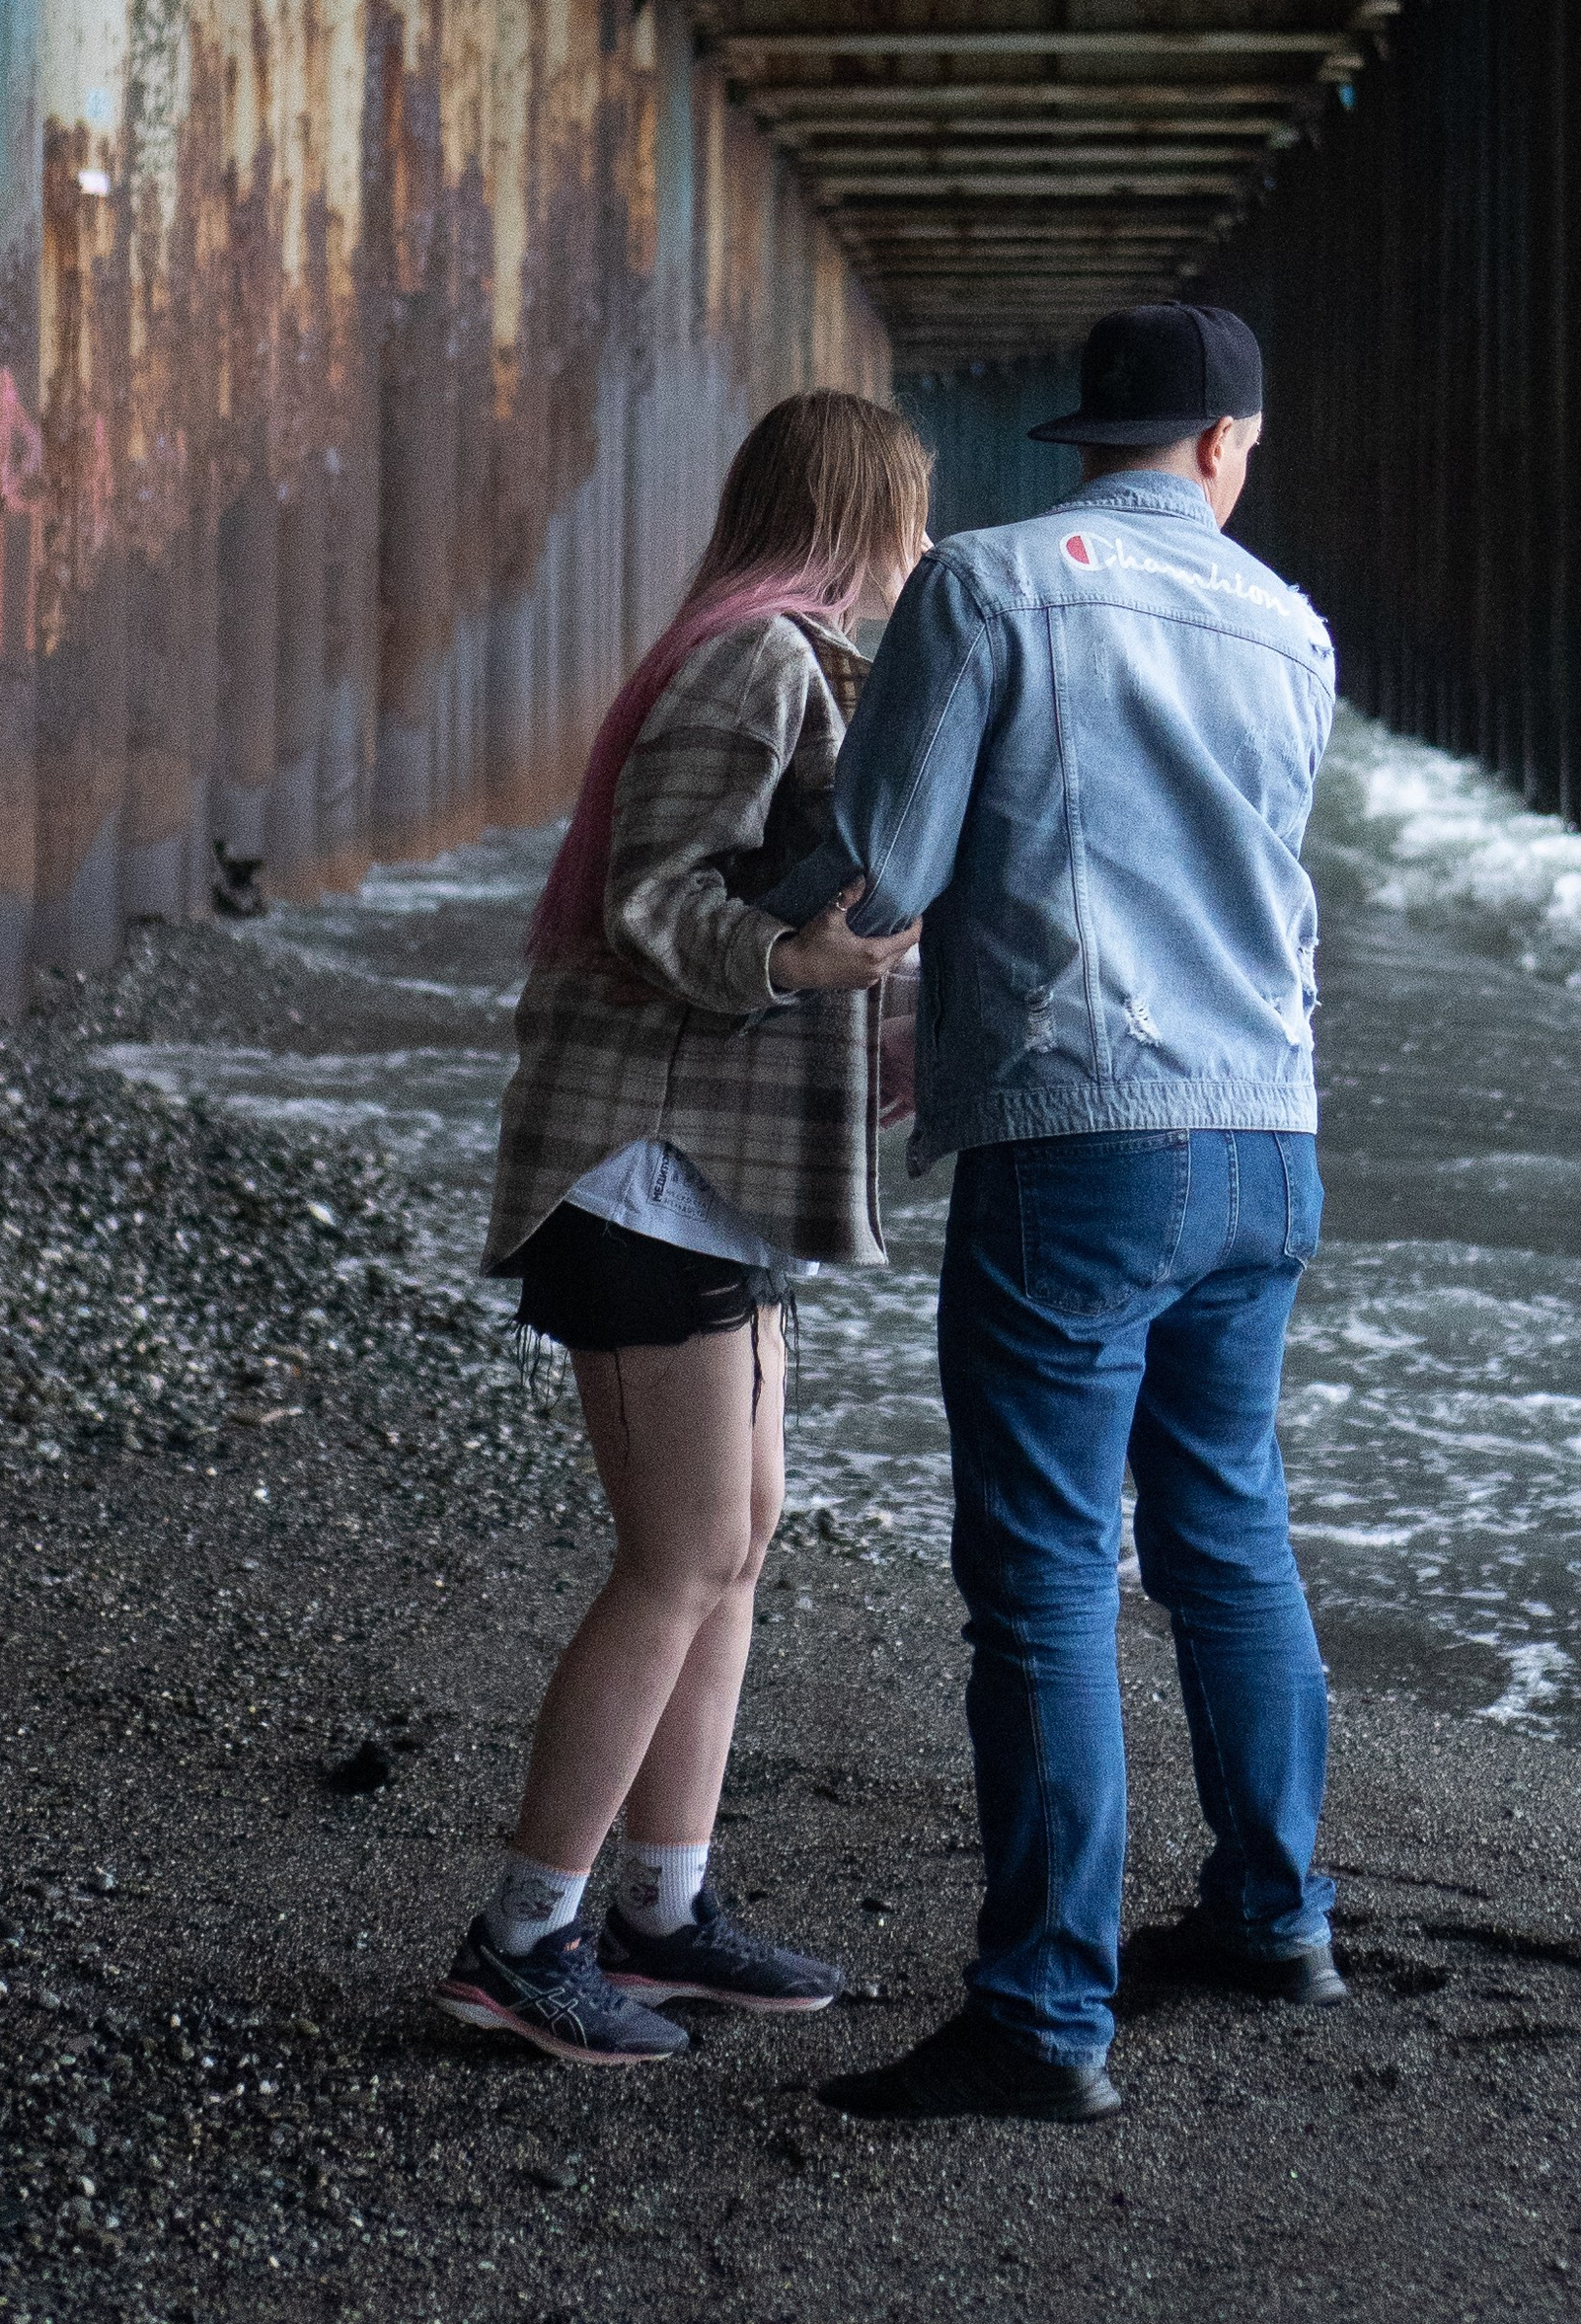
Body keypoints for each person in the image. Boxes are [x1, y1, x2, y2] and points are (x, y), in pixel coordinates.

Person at [781, 302, 1341, 2124]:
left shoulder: (993, 585)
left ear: (1092, 437)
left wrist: (726, 904)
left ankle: (1043, 2019)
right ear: (1224, 443)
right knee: (1228, 1535)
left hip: (1086, 1134)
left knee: (1041, 1575)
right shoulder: (1291, 625)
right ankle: (1273, 1915)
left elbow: (889, 866)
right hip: (1268, 1133)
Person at [438, 389, 929, 2068]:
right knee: (679, 1555)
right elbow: (657, 895)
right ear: (853, 516)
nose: (924, 548)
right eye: (912, 513)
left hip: (706, 1180)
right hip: (636, 1169)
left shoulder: (798, 658)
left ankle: (664, 1910)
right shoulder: (756, 658)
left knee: (741, 1534)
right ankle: (524, 1939)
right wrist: (799, 963)